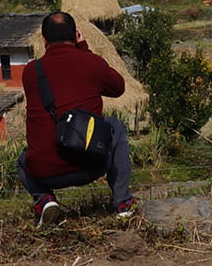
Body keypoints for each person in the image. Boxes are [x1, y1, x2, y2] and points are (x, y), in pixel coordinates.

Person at [16, 12, 132, 225]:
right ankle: (122, 203)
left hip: (45, 172)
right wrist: (84, 49)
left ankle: (45, 201)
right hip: (91, 164)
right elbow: (118, 88)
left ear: (44, 40)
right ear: (76, 34)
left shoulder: (31, 71)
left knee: (23, 159)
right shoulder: (92, 63)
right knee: (115, 125)